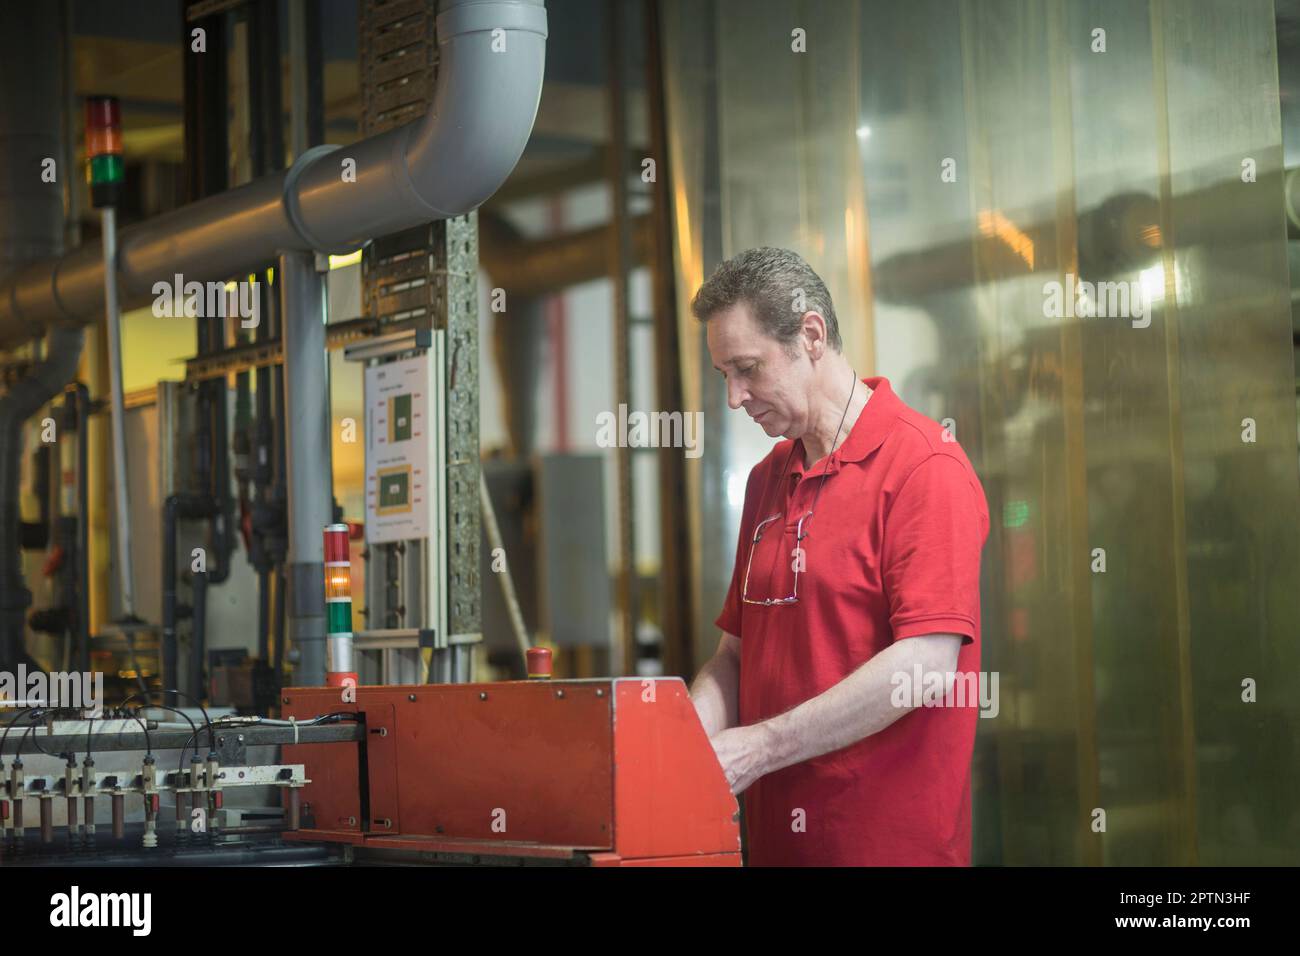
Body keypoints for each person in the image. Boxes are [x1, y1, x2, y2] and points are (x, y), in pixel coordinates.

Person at [688, 247, 990, 866]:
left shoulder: (924, 467)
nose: (734, 397)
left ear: (812, 335)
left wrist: (761, 747)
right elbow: (736, 655)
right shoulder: (767, 479)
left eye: (747, 368)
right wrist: (681, 745)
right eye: (724, 375)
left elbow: (926, 664)